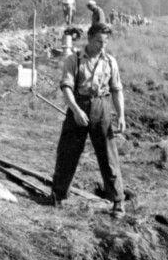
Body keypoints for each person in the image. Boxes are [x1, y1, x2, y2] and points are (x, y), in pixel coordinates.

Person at [51, 22, 127, 217]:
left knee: (109, 156)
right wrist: (75, 110)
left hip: (102, 108)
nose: (102, 46)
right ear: (90, 39)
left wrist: (121, 115)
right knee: (68, 152)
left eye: (105, 42)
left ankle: (118, 201)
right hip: (78, 106)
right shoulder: (73, 59)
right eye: (99, 41)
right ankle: (58, 195)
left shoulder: (110, 62)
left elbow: (117, 90)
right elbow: (66, 88)